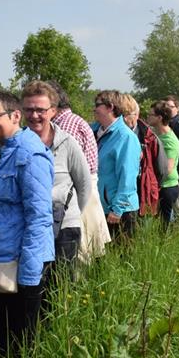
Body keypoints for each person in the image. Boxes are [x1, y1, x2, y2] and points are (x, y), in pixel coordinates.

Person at [0, 91, 54, 358]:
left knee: (17, 342)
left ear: (15, 115)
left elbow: (39, 217)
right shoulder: (0, 152)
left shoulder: (29, 154)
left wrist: (29, 277)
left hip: (20, 266)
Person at [21, 81, 91, 279]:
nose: (34, 115)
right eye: (29, 109)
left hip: (64, 230)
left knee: (61, 285)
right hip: (28, 227)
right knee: (32, 286)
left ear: (53, 111)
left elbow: (84, 185)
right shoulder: (16, 144)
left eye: (40, 110)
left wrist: (70, 214)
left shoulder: (67, 143)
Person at [49, 82, 110, 262]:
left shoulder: (64, 127)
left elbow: (69, 169)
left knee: (81, 249)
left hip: (77, 190)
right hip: (84, 188)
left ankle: (76, 286)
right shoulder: (73, 120)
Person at [91, 90, 141, 239]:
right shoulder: (95, 131)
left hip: (119, 211)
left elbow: (128, 176)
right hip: (102, 207)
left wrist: (118, 209)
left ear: (110, 107)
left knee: (121, 259)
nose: (94, 109)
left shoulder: (125, 137)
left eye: (97, 105)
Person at [122, 94, 161, 218]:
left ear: (136, 115)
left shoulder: (149, 136)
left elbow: (160, 167)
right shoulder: (115, 134)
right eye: (121, 115)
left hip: (143, 186)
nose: (123, 119)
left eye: (127, 115)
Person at [147, 100, 179, 225]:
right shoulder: (156, 135)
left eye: (151, 115)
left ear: (160, 118)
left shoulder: (170, 140)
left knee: (164, 224)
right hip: (158, 185)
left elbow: (168, 169)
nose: (148, 117)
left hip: (167, 186)